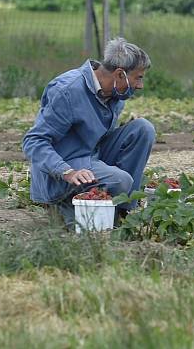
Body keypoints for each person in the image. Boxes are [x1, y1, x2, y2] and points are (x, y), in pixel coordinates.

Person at [23, 37, 155, 227]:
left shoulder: (116, 93)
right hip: (67, 167)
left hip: (93, 155)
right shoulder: (68, 91)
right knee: (121, 180)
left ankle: (121, 211)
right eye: (138, 77)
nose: (140, 85)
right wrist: (66, 171)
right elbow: (33, 142)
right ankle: (63, 205)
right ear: (120, 74)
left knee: (143, 129)